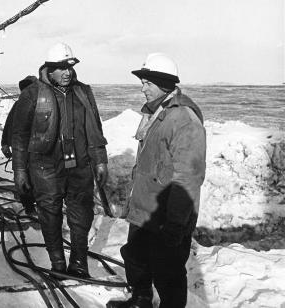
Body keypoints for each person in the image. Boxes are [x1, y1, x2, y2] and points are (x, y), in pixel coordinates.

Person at [106, 53, 206, 308]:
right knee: (135, 258)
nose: (143, 88)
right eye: (143, 82)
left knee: (168, 272)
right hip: (144, 210)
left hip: (166, 216)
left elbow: (189, 177)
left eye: (147, 83)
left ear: (162, 83)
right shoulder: (155, 113)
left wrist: (175, 224)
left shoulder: (184, 119)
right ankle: (141, 301)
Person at [11, 43, 108, 278]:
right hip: (45, 167)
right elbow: (20, 136)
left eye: (70, 68)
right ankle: (57, 264)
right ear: (50, 69)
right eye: (62, 68)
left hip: (79, 165)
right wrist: (20, 170)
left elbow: (94, 129)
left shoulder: (83, 92)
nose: (68, 73)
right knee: (49, 213)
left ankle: (79, 263)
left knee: (81, 214)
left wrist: (100, 161)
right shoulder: (32, 94)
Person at [1, 76, 39, 215]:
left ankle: (34, 204)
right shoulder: (19, 105)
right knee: (25, 179)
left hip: (36, 150)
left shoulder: (39, 103)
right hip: (24, 150)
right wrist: (5, 143)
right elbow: (9, 124)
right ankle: (29, 207)